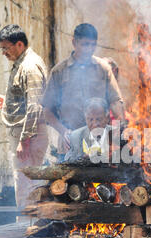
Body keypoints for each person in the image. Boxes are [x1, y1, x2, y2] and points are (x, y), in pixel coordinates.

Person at [0, 24, 49, 209]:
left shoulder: (29, 67)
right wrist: (6, 102)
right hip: (25, 133)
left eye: (6, 48)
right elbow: (26, 100)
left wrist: (25, 140)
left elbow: (35, 106)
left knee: (26, 183)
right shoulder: (22, 63)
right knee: (24, 181)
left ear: (19, 44)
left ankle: (26, 228)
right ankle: (27, 225)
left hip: (29, 135)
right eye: (2, 48)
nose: (3, 53)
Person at [41, 23, 125, 155]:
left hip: (101, 142)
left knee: (101, 176)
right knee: (70, 175)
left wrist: (117, 129)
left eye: (93, 45)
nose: (89, 49)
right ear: (74, 42)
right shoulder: (59, 71)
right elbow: (47, 110)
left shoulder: (103, 69)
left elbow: (115, 101)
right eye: (85, 44)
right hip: (70, 143)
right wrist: (63, 131)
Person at [64, 97, 112, 163]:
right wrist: (82, 160)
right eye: (90, 119)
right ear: (85, 119)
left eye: (99, 119)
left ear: (107, 118)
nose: (95, 124)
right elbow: (67, 161)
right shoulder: (75, 137)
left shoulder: (116, 135)